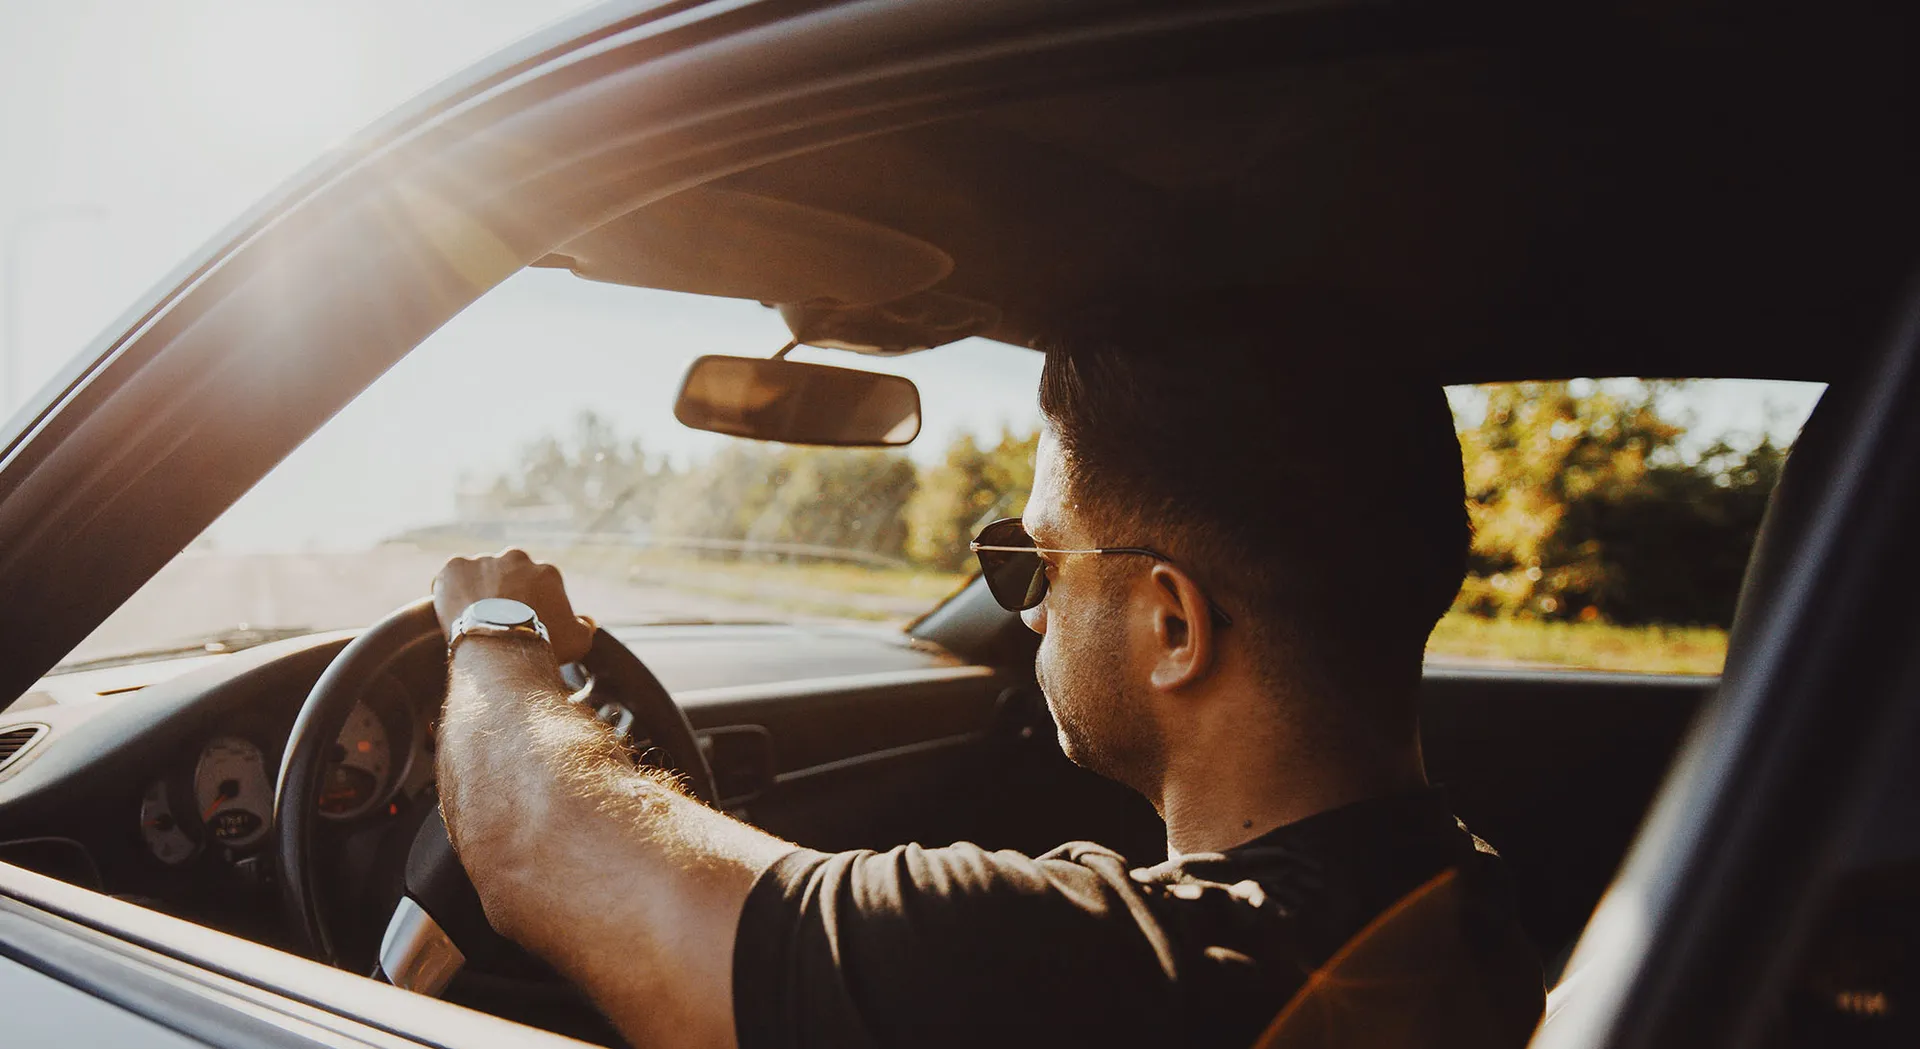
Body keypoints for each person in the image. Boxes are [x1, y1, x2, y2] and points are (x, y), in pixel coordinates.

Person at [430, 307, 1545, 1049]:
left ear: (1171, 623)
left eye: (1034, 559)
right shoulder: (1474, 903)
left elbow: (536, 842)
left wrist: (496, 626)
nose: (1032, 604)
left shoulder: (1071, 965)